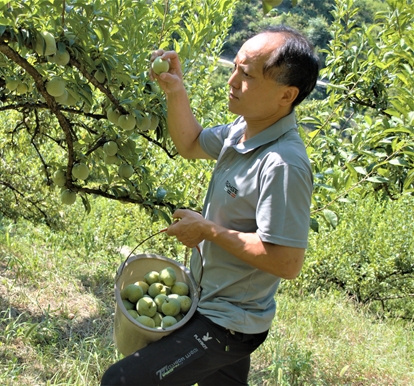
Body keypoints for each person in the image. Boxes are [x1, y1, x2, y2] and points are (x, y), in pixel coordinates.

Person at [101, 25, 319, 386]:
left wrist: (207, 230)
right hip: (211, 303)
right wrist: (175, 89)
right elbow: (190, 142)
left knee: (121, 381)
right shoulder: (243, 131)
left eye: (246, 75)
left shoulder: (283, 164)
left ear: (286, 95)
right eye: (235, 67)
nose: (232, 81)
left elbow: (286, 260)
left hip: (227, 323)